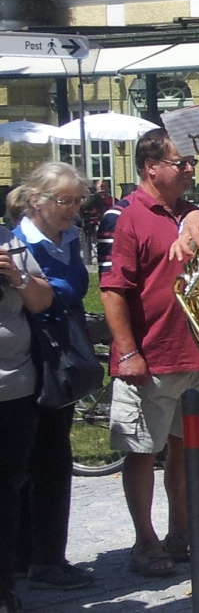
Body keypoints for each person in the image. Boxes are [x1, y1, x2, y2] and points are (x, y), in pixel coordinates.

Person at [101, 130, 199, 578]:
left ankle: (182, 533)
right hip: (149, 358)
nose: (191, 170)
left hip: (194, 355)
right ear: (150, 167)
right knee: (141, 451)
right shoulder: (124, 216)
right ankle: (145, 541)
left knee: (184, 450)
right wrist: (129, 352)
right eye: (181, 163)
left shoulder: (193, 214)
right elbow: (113, 290)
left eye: (191, 163)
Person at [7, 163, 96, 593]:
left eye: (78, 200)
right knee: (41, 459)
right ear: (36, 200)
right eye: (64, 201)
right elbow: (42, 296)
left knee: (50, 455)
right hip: (36, 356)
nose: (73, 209)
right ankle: (38, 557)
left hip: (62, 352)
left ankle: (36, 555)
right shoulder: (22, 241)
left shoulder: (69, 236)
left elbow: (73, 285)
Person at [0, 221, 52, 613]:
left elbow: (41, 300)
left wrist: (17, 276)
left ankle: (4, 589)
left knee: (7, 489)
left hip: (13, 388)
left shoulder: (10, 240)